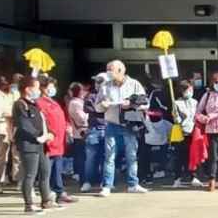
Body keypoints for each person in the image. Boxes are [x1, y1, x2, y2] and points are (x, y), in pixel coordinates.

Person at [94, 60, 149, 195]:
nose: (108, 72)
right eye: (107, 69)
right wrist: (103, 105)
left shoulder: (134, 84)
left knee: (131, 155)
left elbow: (145, 103)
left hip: (129, 124)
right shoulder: (105, 86)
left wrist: (131, 104)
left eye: (110, 69)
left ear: (120, 71)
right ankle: (107, 185)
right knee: (109, 156)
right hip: (111, 123)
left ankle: (133, 184)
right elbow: (97, 106)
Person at [11, 76, 55, 213]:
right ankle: (28, 204)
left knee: (45, 171)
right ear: (27, 89)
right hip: (28, 143)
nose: (38, 90)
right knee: (30, 174)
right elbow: (24, 125)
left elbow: (43, 121)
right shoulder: (20, 104)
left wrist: (50, 133)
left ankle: (46, 200)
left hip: (41, 144)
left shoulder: (34, 104)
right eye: (35, 87)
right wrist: (38, 136)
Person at [39, 76, 75, 206]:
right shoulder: (40, 102)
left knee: (57, 169)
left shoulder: (53, 101)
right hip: (49, 142)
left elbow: (61, 117)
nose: (52, 89)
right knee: (47, 171)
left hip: (59, 142)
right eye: (49, 86)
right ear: (42, 88)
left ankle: (59, 192)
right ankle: (48, 195)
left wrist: (67, 126)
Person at [142, 82, 173, 182]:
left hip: (158, 125)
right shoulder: (154, 94)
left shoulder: (157, 94)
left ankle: (157, 169)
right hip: (154, 125)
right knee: (152, 150)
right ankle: (152, 170)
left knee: (158, 149)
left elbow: (161, 111)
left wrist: (148, 113)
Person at [171, 78, 199, 187]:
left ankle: (193, 176)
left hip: (193, 132)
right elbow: (176, 120)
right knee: (179, 156)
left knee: (193, 156)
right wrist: (175, 114)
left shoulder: (195, 102)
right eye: (187, 89)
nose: (190, 92)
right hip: (182, 132)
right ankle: (177, 178)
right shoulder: (176, 103)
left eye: (191, 89)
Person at [65, 81, 89, 183]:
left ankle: (81, 173)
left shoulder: (79, 101)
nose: (84, 92)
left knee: (82, 155)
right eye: (83, 90)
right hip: (80, 132)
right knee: (80, 155)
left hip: (82, 132)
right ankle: (79, 173)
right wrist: (91, 114)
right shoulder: (75, 103)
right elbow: (81, 118)